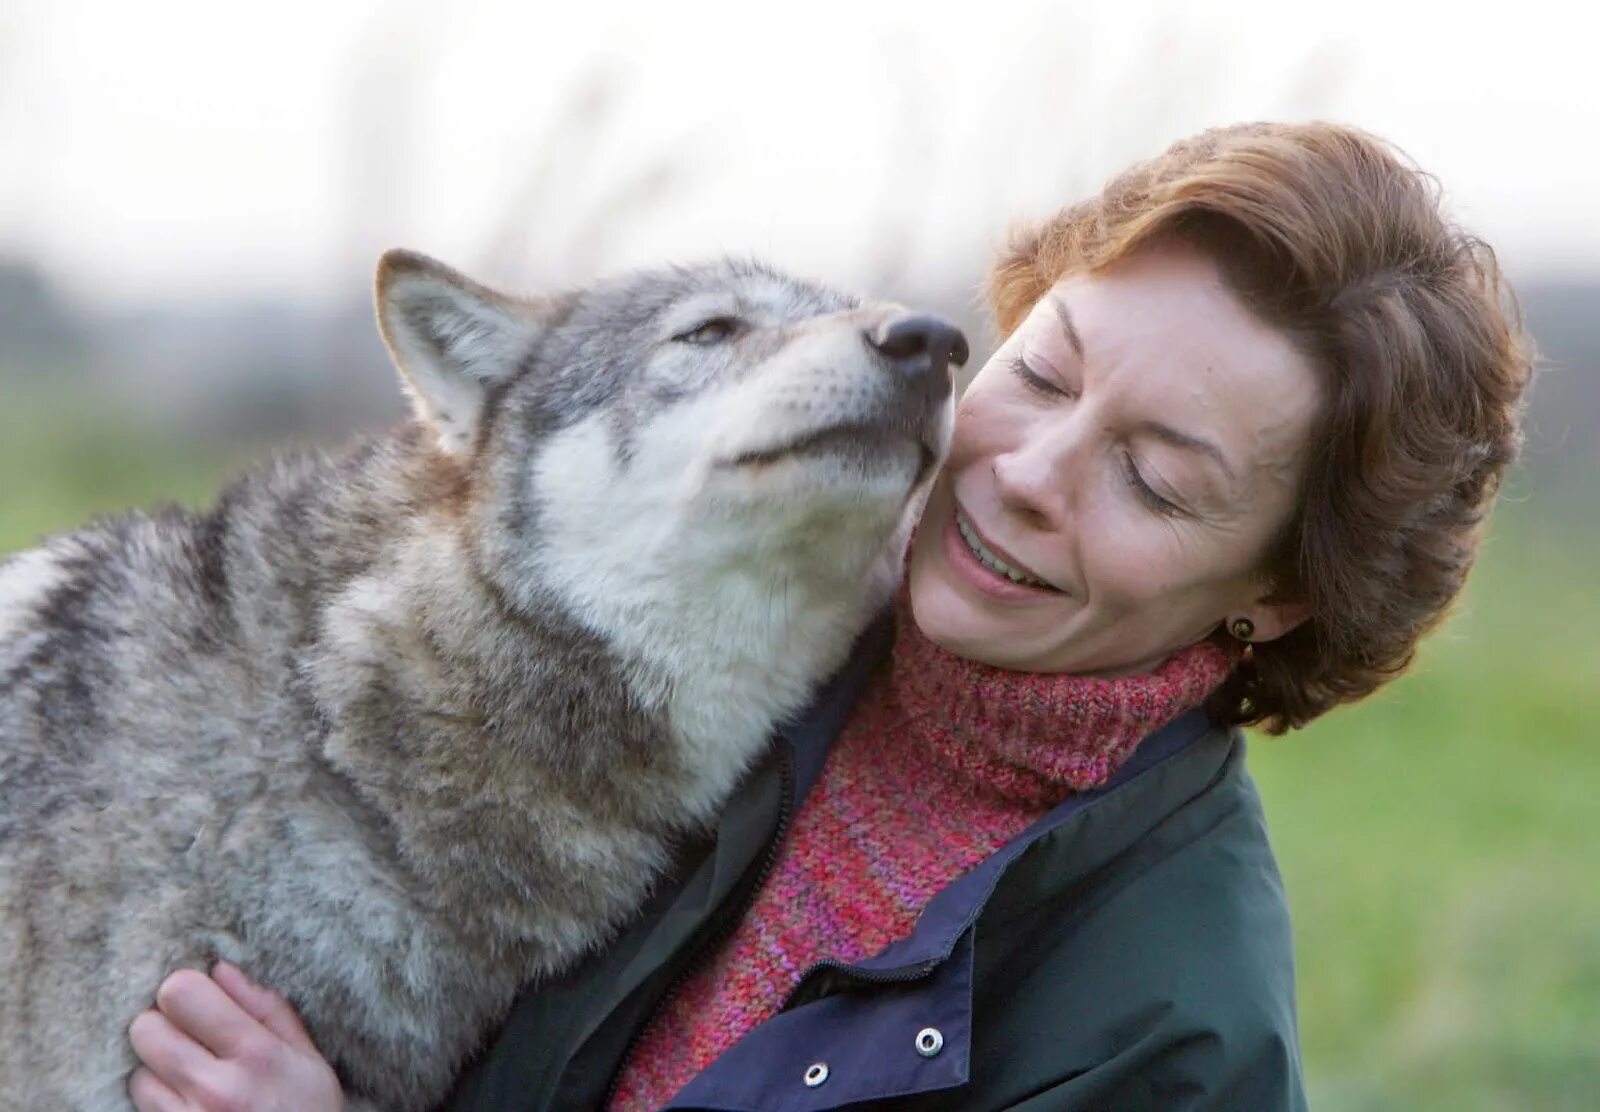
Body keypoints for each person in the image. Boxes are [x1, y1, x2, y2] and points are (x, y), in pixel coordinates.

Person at [125, 120, 1532, 1111]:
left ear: (1280, 595)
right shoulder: (724, 648)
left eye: (1153, 481)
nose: (1025, 475)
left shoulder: (1172, 1037)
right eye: (1042, 377)